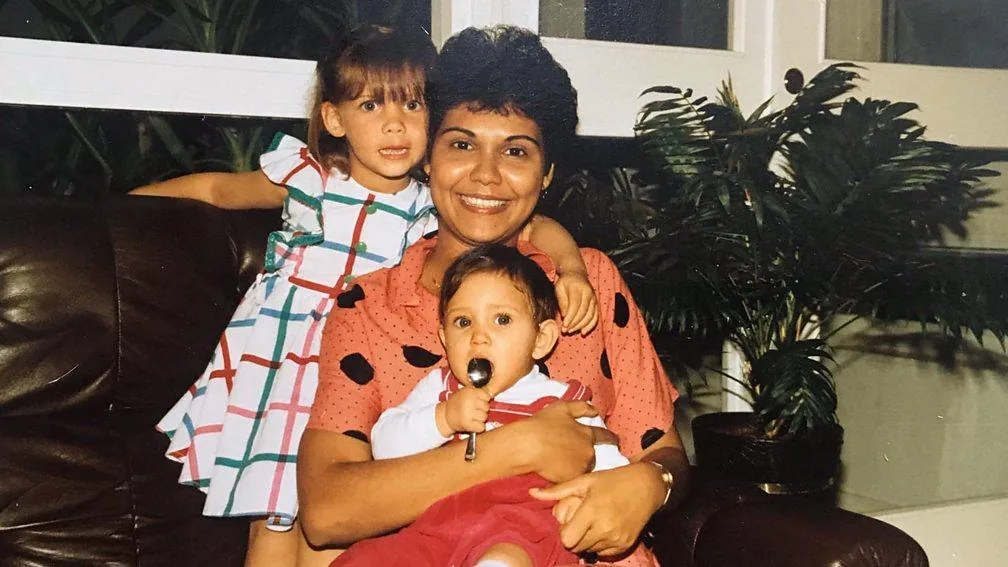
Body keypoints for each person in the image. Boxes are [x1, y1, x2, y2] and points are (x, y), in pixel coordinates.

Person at [132, 25, 598, 567]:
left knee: (339, 529)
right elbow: (215, 188)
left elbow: (537, 226)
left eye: (412, 105)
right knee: (274, 512)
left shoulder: (436, 201)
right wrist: (127, 202)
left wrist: (572, 269)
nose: (394, 125)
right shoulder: (310, 177)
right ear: (334, 119)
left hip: (359, 374)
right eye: (371, 105)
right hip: (287, 367)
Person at [299, 25, 690, 567]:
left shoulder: (589, 283)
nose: (486, 176)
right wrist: (516, 448)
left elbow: (663, 451)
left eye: (516, 152)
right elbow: (326, 512)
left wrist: (650, 485)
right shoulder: (369, 309)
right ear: (428, 158)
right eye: (462, 145)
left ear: (546, 174)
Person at [332, 244, 633, 567]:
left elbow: (610, 471)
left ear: (541, 339)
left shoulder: (565, 400)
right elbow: (384, 448)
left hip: (523, 526)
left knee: (504, 557)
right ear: (444, 338)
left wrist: (583, 502)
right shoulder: (441, 390)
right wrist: (442, 419)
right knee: (365, 559)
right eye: (463, 322)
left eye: (502, 319)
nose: (479, 336)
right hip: (435, 526)